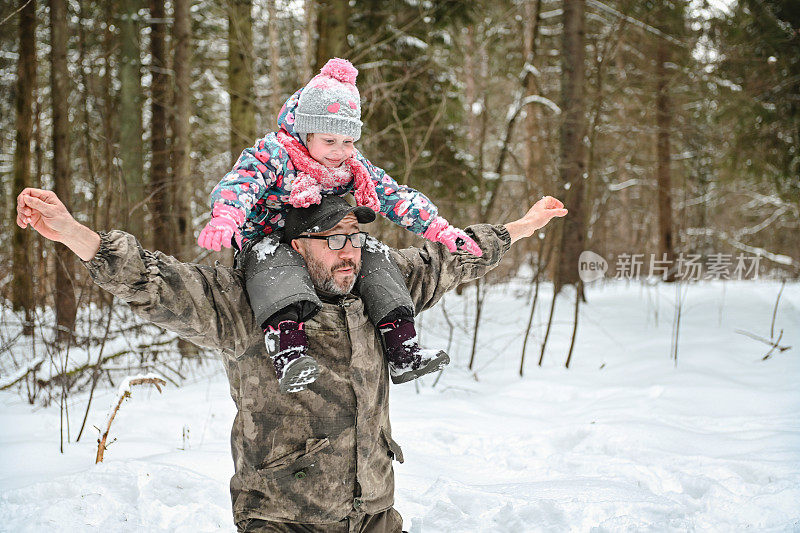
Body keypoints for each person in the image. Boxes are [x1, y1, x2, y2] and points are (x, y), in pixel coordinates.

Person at [15, 187, 567, 532]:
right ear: (298, 247)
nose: (348, 251)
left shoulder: (378, 289)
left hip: (373, 513)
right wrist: (77, 236)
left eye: (353, 239)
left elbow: (451, 257)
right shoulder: (242, 301)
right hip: (281, 519)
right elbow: (157, 285)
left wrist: (521, 227)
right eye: (331, 240)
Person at [199, 58, 483, 393]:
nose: (339, 151)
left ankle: (402, 347)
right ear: (306, 132)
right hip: (267, 241)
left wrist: (440, 229)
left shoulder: (352, 166)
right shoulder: (275, 153)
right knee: (274, 260)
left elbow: (393, 195)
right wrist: (226, 216)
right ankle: (289, 351)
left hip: (322, 239)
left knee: (373, 250)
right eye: (329, 141)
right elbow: (242, 182)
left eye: (347, 141)